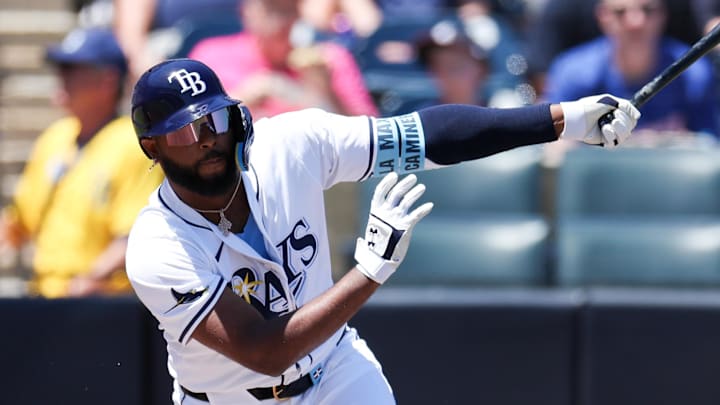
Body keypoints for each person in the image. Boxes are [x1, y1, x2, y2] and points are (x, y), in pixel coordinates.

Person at [126, 58, 638, 404]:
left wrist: (561, 120)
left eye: (216, 119)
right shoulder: (158, 245)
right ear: (153, 147)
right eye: (186, 131)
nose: (209, 140)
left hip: (335, 375)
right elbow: (266, 352)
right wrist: (369, 270)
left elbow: (427, 135)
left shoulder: (291, 144)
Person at [0, 27, 164, 298]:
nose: (62, 78)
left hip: (102, 303)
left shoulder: (132, 144)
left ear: (108, 80)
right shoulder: (55, 136)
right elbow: (18, 222)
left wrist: (86, 281)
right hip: (46, 295)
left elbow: (134, 237)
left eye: (73, 70)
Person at [541, 0, 719, 139]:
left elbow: (711, 145)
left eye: (648, 10)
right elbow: (554, 148)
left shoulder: (693, 74)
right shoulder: (573, 73)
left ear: (663, 15)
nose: (636, 22)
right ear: (602, 17)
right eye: (620, 12)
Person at [188, 0, 378, 119]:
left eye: (290, 8)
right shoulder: (211, 54)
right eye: (272, 9)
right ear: (247, 12)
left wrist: (328, 92)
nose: (282, 20)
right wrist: (243, 99)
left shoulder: (329, 58)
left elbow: (370, 136)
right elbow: (192, 126)